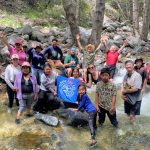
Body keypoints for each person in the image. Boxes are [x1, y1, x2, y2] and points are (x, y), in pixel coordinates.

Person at [121, 60, 142, 124]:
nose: (128, 68)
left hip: (136, 99)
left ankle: (134, 129)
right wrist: (122, 94)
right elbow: (123, 85)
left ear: (133, 66)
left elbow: (136, 89)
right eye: (127, 67)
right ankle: (131, 126)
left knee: (132, 115)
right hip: (127, 98)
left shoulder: (137, 76)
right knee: (128, 114)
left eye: (130, 66)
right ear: (125, 67)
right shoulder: (126, 75)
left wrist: (125, 90)